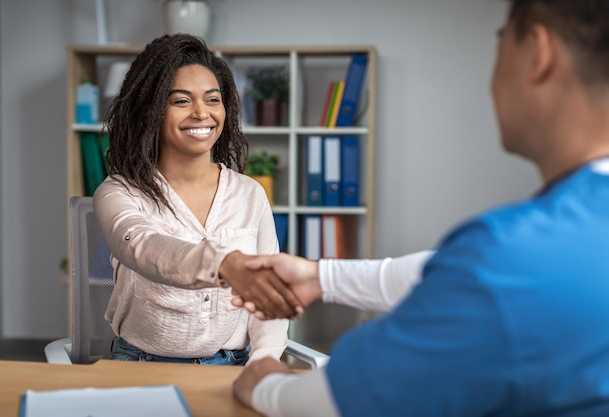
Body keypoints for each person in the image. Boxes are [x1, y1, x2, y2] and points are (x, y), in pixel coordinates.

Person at [232, 0, 609, 415]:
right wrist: (323, 277)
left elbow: (339, 402)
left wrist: (264, 381)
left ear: (539, 53)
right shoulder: (535, 253)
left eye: (501, 44)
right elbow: (456, 276)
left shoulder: (509, 256)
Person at [93, 33, 300, 366]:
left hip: (232, 365)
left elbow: (268, 299)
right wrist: (223, 264)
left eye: (212, 99)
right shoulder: (119, 192)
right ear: (151, 110)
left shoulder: (249, 194)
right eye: (181, 100)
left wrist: (263, 361)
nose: (202, 113)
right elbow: (143, 247)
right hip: (141, 366)